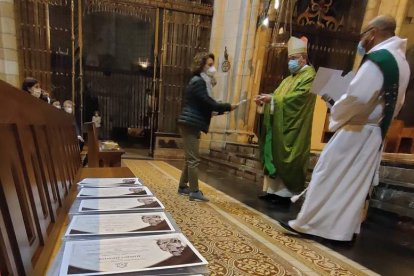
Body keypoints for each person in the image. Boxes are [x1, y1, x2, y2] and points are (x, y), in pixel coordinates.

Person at [282, 16, 410, 241]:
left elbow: (358, 97)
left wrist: (337, 108)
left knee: (327, 173)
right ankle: (339, 231)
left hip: (356, 129)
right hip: (374, 131)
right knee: (352, 184)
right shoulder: (401, 61)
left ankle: (309, 223)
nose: (361, 40)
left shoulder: (378, 59)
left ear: (373, 32)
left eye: (363, 34)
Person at [254, 36, 316, 205]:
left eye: (293, 59)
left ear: (303, 58)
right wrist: (267, 99)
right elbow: (279, 96)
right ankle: (272, 191)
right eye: (289, 59)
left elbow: (299, 99)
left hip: (293, 125)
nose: (290, 62)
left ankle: (284, 194)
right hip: (279, 124)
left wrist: (273, 100)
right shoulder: (289, 79)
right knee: (272, 151)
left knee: (287, 154)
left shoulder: (309, 76)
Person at [177, 52, 239, 202]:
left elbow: (205, 106)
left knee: (189, 158)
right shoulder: (198, 81)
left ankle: (182, 186)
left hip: (192, 122)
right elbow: (209, 103)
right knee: (193, 159)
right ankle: (194, 191)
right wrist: (228, 106)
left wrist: (220, 109)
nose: (213, 68)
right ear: (201, 65)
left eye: (213, 65)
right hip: (190, 123)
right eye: (209, 65)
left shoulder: (199, 81)